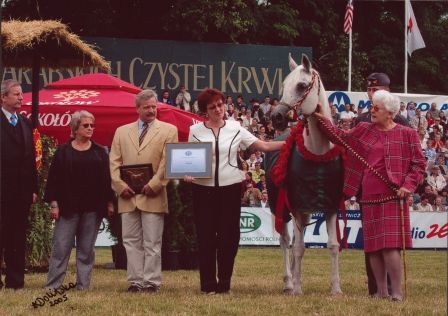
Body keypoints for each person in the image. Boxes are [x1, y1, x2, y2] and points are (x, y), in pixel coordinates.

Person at [314, 89, 426, 301]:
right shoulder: (364, 128)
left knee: (390, 246)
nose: (371, 111)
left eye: (376, 108)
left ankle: (397, 293)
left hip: (394, 195)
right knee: (373, 246)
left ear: (390, 113)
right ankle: (380, 292)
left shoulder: (407, 134)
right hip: (368, 194)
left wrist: (408, 186)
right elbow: (340, 137)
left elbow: (419, 164)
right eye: (371, 106)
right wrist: (323, 118)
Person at [184, 88, 284, 294]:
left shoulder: (235, 128)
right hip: (203, 190)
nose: (218, 109)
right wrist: (187, 174)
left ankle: (225, 283)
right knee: (205, 237)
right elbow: (189, 160)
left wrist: (290, 142)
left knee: (229, 238)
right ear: (205, 110)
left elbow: (263, 146)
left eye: (220, 104)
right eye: (213, 107)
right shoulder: (195, 131)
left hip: (230, 189)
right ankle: (208, 284)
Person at [110, 89, 178, 292]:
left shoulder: (169, 130)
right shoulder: (121, 131)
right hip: (127, 196)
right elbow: (113, 162)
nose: (151, 110)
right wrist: (120, 186)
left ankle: (151, 282)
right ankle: (135, 281)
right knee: (130, 242)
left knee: (152, 242)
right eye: (147, 107)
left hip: (154, 195)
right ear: (137, 108)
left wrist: (155, 184)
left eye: (154, 106)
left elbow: (169, 162)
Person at [44, 110, 114, 290]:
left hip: (92, 209)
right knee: (60, 249)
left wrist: (109, 202)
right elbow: (53, 180)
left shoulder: (100, 151)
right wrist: (54, 204)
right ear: (75, 128)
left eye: (92, 125)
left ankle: (83, 286)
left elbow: (107, 181)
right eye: (86, 125)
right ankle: (53, 286)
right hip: (67, 208)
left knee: (86, 250)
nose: (90, 128)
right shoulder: (62, 151)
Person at [0, 79, 38, 289]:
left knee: (17, 236)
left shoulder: (25, 123)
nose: (21, 98)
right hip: (2, 191)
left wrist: (33, 188)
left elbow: (31, 158)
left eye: (21, 94)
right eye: (16, 94)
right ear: (3, 97)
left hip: (21, 193)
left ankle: (15, 281)